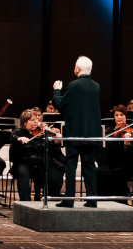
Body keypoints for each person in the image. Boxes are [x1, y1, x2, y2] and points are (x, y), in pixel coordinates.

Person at [52, 56, 102, 207]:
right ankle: (92, 199)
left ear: (78, 68)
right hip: (92, 134)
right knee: (89, 165)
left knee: (71, 166)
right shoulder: (96, 86)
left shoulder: (74, 85)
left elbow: (60, 104)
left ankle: (69, 199)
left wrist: (57, 90)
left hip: (75, 132)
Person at [10, 109, 64, 202]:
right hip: (24, 163)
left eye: (37, 119)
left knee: (56, 175)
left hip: (40, 163)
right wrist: (19, 139)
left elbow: (51, 149)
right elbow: (11, 136)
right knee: (23, 176)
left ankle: (52, 200)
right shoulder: (18, 132)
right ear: (25, 123)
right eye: (32, 120)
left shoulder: (41, 133)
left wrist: (56, 142)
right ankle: (25, 202)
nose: (36, 122)